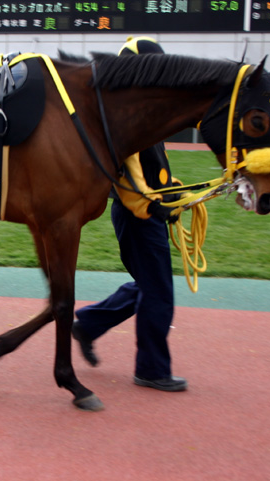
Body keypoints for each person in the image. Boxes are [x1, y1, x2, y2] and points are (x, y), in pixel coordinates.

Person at [72, 36, 188, 392]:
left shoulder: (139, 107)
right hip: (138, 213)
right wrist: (153, 204)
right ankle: (152, 370)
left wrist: (173, 191)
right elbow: (130, 174)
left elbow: (152, 168)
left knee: (149, 285)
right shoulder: (125, 113)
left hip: (141, 210)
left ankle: (88, 324)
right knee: (158, 291)